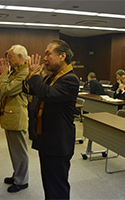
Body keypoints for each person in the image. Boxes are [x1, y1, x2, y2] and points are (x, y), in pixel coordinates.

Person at [23, 39, 79, 200]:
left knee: (57, 188)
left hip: (58, 143)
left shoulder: (70, 79)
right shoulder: (52, 77)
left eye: (48, 54)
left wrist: (35, 77)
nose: (44, 58)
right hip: (48, 140)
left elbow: (46, 94)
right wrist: (30, 75)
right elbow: (30, 89)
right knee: (49, 184)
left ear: (62, 56)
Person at [0, 45, 29, 193]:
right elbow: (1, 85)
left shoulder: (24, 73)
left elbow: (6, 89)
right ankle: (17, 174)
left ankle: (22, 181)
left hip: (17, 117)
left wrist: (3, 74)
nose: (8, 59)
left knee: (20, 151)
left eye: (10, 57)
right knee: (14, 150)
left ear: (20, 57)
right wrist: (4, 74)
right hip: (10, 116)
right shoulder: (16, 71)